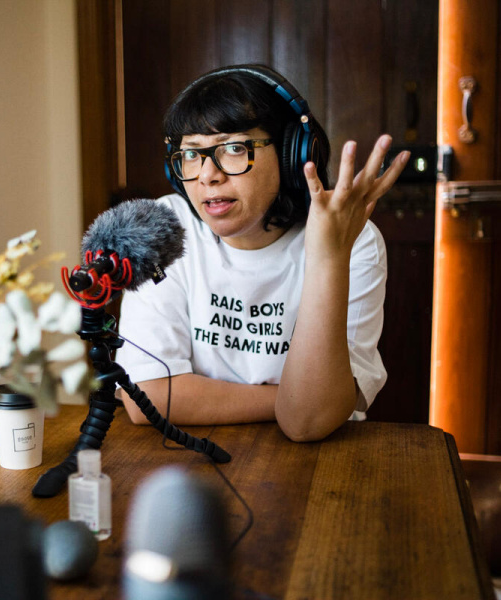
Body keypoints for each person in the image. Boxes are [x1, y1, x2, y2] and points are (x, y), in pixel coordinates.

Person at [115, 64, 410, 442]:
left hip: (322, 462)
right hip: (194, 452)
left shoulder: (353, 240)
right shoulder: (163, 228)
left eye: (234, 148)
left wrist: (327, 258)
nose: (207, 175)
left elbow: (308, 424)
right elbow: (147, 396)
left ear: (291, 154)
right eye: (191, 154)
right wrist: (290, 401)